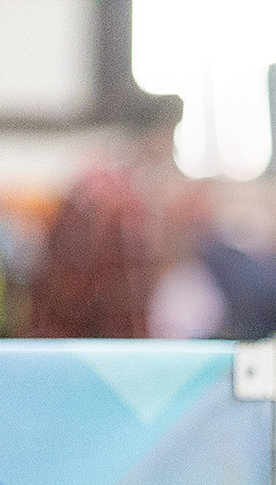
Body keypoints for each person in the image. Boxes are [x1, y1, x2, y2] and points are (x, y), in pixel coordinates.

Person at [31, 94, 182, 338]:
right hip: (90, 345)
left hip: (53, 333)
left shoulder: (91, 176)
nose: (174, 149)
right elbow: (125, 303)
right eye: (171, 136)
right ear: (156, 136)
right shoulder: (123, 203)